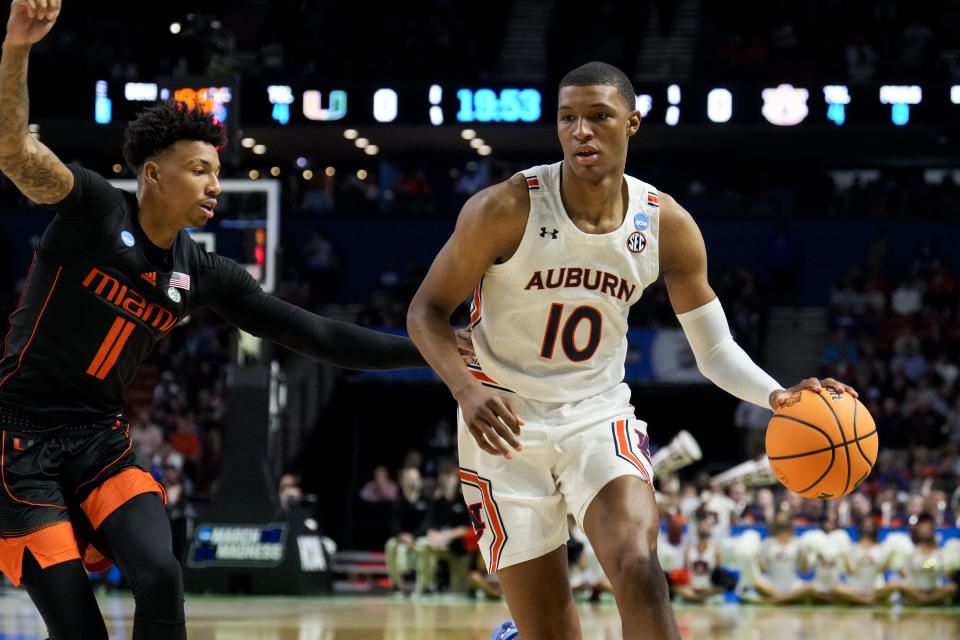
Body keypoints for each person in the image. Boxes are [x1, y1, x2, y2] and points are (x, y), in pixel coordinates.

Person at [0, 3, 427, 638]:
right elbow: (14, 154)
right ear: (152, 173)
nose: (214, 185)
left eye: (218, 172)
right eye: (200, 169)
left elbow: (318, 334)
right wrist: (17, 48)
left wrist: (431, 347)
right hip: (19, 442)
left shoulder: (205, 273)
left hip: (100, 441)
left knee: (161, 573)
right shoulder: (92, 211)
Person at [407, 60, 856, 639]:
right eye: (568, 118)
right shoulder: (505, 207)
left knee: (641, 570)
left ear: (634, 123)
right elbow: (425, 312)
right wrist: (465, 390)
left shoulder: (666, 224)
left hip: (596, 414)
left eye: (599, 117)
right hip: (503, 423)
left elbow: (715, 348)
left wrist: (777, 395)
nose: (581, 132)